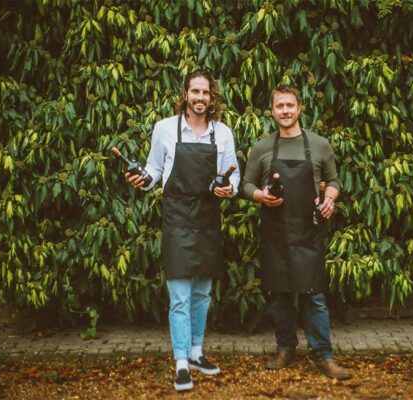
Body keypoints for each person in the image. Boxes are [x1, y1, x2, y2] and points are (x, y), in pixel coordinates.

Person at [126, 70, 240, 391]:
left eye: (205, 92)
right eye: (195, 91)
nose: (200, 97)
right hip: (177, 221)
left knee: (203, 293)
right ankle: (180, 363)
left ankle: (196, 352)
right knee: (180, 297)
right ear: (185, 95)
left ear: (212, 97)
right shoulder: (164, 129)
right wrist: (143, 180)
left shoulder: (223, 134)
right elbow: (154, 170)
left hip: (207, 221)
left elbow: (233, 176)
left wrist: (228, 189)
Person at [241, 85, 351, 380]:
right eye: (280, 106)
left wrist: (330, 199)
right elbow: (246, 185)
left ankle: (323, 355)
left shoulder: (319, 145)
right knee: (279, 295)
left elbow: (333, 181)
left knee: (314, 296)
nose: (285, 111)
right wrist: (260, 196)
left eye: (290, 105)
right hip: (275, 234)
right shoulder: (262, 147)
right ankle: (285, 348)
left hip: (308, 232)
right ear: (272, 111)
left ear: (299, 108)